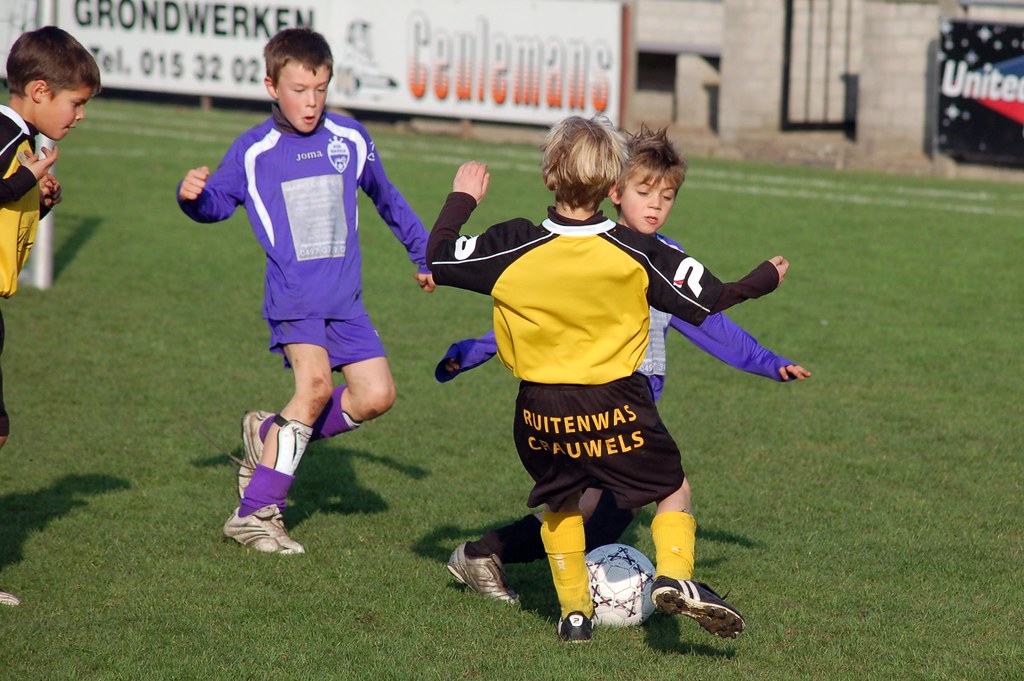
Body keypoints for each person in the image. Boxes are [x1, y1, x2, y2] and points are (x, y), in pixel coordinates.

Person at [427, 114, 789, 642]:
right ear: (612, 185)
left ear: (549, 176)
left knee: (563, 503)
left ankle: (575, 616)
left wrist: (463, 198)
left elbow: (438, 257)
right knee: (673, 489)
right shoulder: (639, 250)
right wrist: (763, 279)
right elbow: (712, 299)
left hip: (538, 409)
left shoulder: (514, 243)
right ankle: (674, 575)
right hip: (616, 400)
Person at [177, 28, 434, 555]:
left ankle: (268, 433)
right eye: (299, 90)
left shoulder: (350, 138)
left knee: (376, 396)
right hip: (294, 297)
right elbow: (217, 203)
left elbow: (388, 198)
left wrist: (424, 253)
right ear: (272, 86)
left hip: (346, 300)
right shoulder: (255, 150)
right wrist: (193, 198)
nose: (311, 102)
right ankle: (254, 514)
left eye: (320, 88)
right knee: (314, 390)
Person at [0, 26, 101, 606]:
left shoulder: (19, 141)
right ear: (39, 90)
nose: (80, 116)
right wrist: (25, 178)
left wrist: (35, 200)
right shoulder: (5, 135)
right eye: (76, 103)